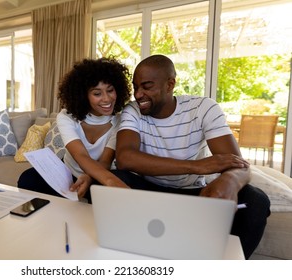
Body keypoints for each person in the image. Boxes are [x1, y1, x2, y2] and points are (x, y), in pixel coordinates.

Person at [113, 54, 270, 259]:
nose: (138, 94)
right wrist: (196, 166)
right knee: (112, 178)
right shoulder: (133, 110)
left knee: (256, 200)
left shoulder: (203, 108)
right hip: (150, 192)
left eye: (147, 86)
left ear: (170, 84)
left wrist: (230, 181)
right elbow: (125, 158)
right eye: (135, 87)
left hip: (195, 195)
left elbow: (237, 164)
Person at [18, 57, 131, 202]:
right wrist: (110, 182)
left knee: (107, 189)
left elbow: (105, 161)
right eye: (97, 93)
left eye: (110, 91)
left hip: (100, 173)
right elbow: (81, 156)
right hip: (68, 171)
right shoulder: (66, 117)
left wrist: (90, 178)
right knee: (28, 179)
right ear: (83, 95)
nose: (107, 99)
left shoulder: (120, 121)